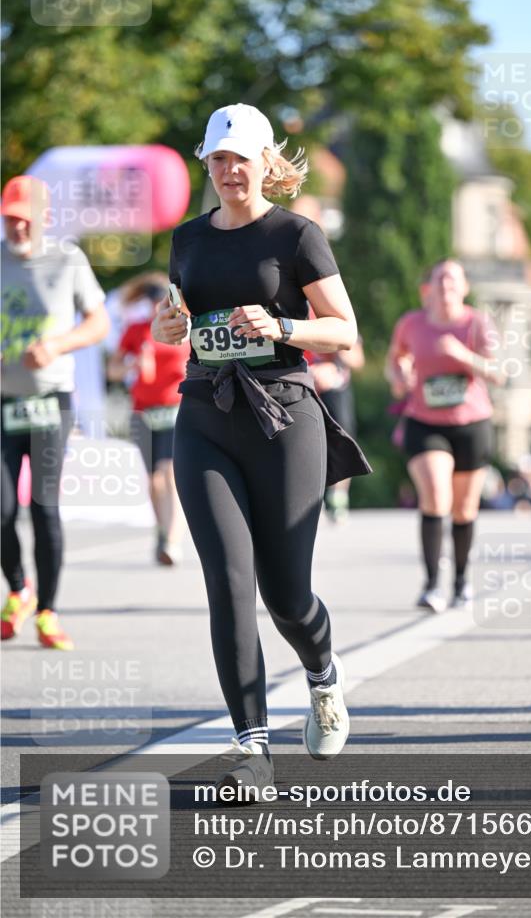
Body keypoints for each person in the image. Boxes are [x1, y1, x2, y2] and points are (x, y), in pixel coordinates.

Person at [151, 103, 370, 788]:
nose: (227, 171)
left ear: (264, 163)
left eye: (239, 159)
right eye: (216, 159)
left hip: (283, 418)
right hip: (205, 415)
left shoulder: (296, 236)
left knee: (286, 597)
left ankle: (323, 676)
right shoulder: (186, 240)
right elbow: (175, 326)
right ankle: (252, 750)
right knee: (228, 585)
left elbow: (344, 330)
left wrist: (281, 327)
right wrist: (165, 325)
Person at [1, 175, 109, 649]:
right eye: (9, 219)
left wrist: (58, 345)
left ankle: (47, 611)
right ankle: (19, 590)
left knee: (45, 508)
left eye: (25, 219)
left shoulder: (67, 259)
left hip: (50, 401)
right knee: (2, 509)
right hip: (4, 402)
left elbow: (99, 322)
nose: (17, 228)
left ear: (45, 218)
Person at [386, 259, 502, 613]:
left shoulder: (477, 323)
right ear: (429, 289)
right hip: (425, 421)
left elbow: (498, 373)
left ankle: (462, 580)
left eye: (453, 280)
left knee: (464, 508)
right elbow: (395, 360)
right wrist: (399, 377)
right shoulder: (411, 323)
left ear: (464, 288)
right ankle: (432, 584)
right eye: (440, 279)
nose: (446, 285)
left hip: (471, 423)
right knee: (436, 494)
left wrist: (464, 356)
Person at [107, 273, 189, 564]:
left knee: (171, 473)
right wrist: (131, 363)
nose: (157, 306)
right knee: (154, 479)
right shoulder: (136, 329)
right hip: (143, 410)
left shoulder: (185, 329)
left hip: (175, 408)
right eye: (153, 301)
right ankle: (161, 529)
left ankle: (172, 541)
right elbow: (113, 371)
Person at [307, 337, 365, 523]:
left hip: (335, 390)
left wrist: (340, 349)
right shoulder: (289, 312)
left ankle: (337, 497)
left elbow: (357, 360)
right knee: (308, 444)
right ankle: (310, 497)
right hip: (301, 386)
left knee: (342, 440)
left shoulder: (336, 314)